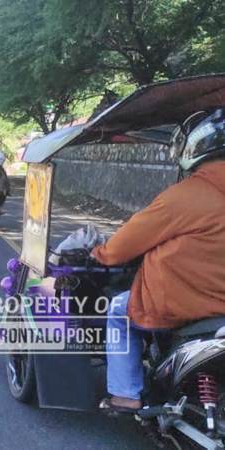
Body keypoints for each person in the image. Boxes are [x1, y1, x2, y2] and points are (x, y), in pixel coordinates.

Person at [93, 108, 225, 414]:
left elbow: (118, 249)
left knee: (118, 310)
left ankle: (125, 395)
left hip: (186, 302)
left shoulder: (187, 195)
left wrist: (99, 252)